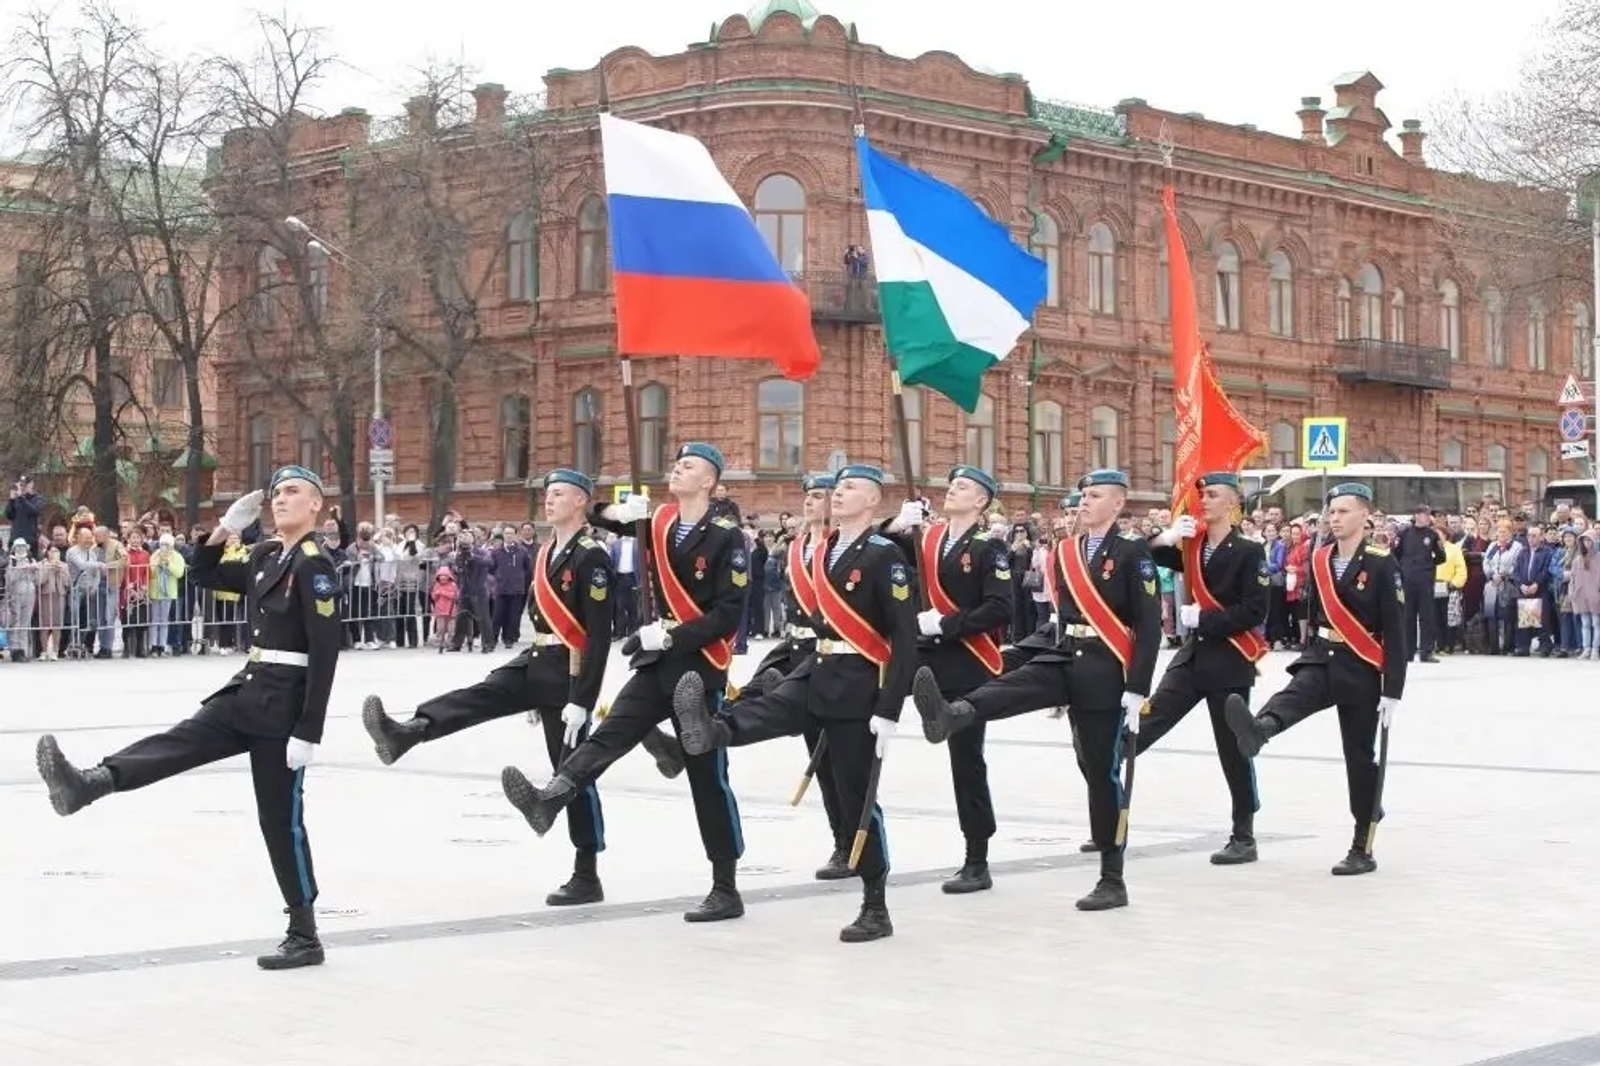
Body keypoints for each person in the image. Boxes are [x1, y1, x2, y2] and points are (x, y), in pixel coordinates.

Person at [33, 465, 343, 969]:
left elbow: (327, 650)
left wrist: (309, 729)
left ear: (316, 506)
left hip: (284, 708)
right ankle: (90, 782)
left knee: (279, 823)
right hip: (246, 690)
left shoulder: (315, 565)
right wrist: (226, 529)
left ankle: (304, 934)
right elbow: (203, 574)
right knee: (178, 740)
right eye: (276, 493)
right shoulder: (266, 554)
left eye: (293, 493)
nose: (280, 500)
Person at [501, 443, 750, 922]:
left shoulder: (726, 537)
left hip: (698, 668)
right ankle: (550, 799)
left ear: (709, 483)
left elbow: (728, 613)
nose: (678, 467)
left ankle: (725, 885)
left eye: (690, 465)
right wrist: (619, 508)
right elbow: (597, 514)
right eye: (676, 461)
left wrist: (673, 635)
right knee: (610, 733)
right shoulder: (654, 521)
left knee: (707, 777)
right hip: (655, 664)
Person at [672, 464, 917, 942]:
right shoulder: (822, 552)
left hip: (858, 685)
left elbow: (904, 640)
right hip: (818, 670)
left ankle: (875, 904)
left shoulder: (884, 556)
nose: (838, 495)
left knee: (855, 797)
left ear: (872, 502)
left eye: (850, 489)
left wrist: (890, 708)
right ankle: (710, 729)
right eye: (837, 488)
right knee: (770, 707)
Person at [360, 469, 618, 906]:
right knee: (482, 693)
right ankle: (408, 732)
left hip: (568, 670)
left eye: (558, 494)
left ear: (580, 502)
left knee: (571, 771)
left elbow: (597, 634)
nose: (548, 500)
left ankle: (586, 871)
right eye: (547, 494)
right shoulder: (547, 551)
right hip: (537, 658)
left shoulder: (590, 556)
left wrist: (582, 700)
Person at [910, 469, 1161, 910]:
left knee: (1102, 773)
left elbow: (1149, 625)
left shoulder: (1133, 552)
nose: (1084, 502)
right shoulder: (1067, 551)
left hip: (1106, 669)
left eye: (1095, 496)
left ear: (1118, 505)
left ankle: (1111, 876)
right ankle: (956, 713)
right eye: (1083, 495)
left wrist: (1137, 686)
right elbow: (1063, 617)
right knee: (1012, 687)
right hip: (1067, 655)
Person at [1222, 482, 1407, 876]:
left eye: (1342, 511)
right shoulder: (1320, 558)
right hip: (1323, 656)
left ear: (1364, 516)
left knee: (1359, 759)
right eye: (1331, 512)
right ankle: (1258, 730)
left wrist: (1393, 690)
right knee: (1293, 695)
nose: (1334, 518)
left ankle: (1362, 844)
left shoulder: (1380, 561)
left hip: (1362, 665)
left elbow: (1396, 629)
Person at [690, 473, 853, 881]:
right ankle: (841, 841)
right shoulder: (797, 546)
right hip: (794, 650)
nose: (810, 503)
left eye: (819, 496)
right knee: (761, 701)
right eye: (809, 496)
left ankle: (852, 845)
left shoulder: (843, 549)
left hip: (828, 657)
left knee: (841, 767)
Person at [882, 465, 1013, 893]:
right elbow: (875, 554)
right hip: (919, 658)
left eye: (963, 487)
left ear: (981, 501)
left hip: (967, 662)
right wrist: (897, 525)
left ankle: (977, 857)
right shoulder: (927, 537)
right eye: (951, 484)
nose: (951, 489)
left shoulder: (988, 548)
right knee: (864, 717)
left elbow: (1000, 608)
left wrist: (948, 623)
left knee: (966, 761)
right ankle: (850, 839)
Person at [1141, 472, 1270, 864]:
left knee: (1233, 750)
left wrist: (1206, 618)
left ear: (1232, 503)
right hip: (1194, 658)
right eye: (1202, 495)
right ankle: (1109, 814)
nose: (1203, 501)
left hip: (1230, 660)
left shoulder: (1249, 551)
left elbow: (1255, 609)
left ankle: (1243, 835)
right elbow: (1149, 557)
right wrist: (1165, 536)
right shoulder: (1193, 545)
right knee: (1147, 723)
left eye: (1212, 495)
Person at [1394, 504, 1446, 663]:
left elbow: (1441, 557)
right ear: (1416, 516)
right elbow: (1396, 554)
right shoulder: (1404, 533)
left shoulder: (1432, 535)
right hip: (1407, 580)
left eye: (1427, 514)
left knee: (1427, 616)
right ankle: (1408, 652)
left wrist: (1428, 564)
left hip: (1425, 580)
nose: (1424, 517)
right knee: (1407, 616)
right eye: (1422, 514)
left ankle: (1426, 652)